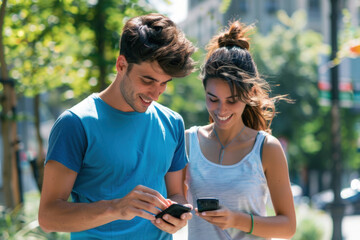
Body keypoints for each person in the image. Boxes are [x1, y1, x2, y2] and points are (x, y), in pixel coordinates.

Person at [38, 13, 196, 240]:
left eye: (164, 83)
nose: (156, 94)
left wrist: (176, 218)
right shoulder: (75, 124)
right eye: (148, 80)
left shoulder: (172, 123)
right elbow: (48, 217)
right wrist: (116, 208)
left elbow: (176, 195)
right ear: (121, 64)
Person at [184, 21, 296, 240]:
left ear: (250, 93)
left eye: (232, 100)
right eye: (212, 99)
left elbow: (288, 226)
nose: (221, 109)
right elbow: (175, 198)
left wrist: (237, 220)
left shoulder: (266, 148)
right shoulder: (187, 141)